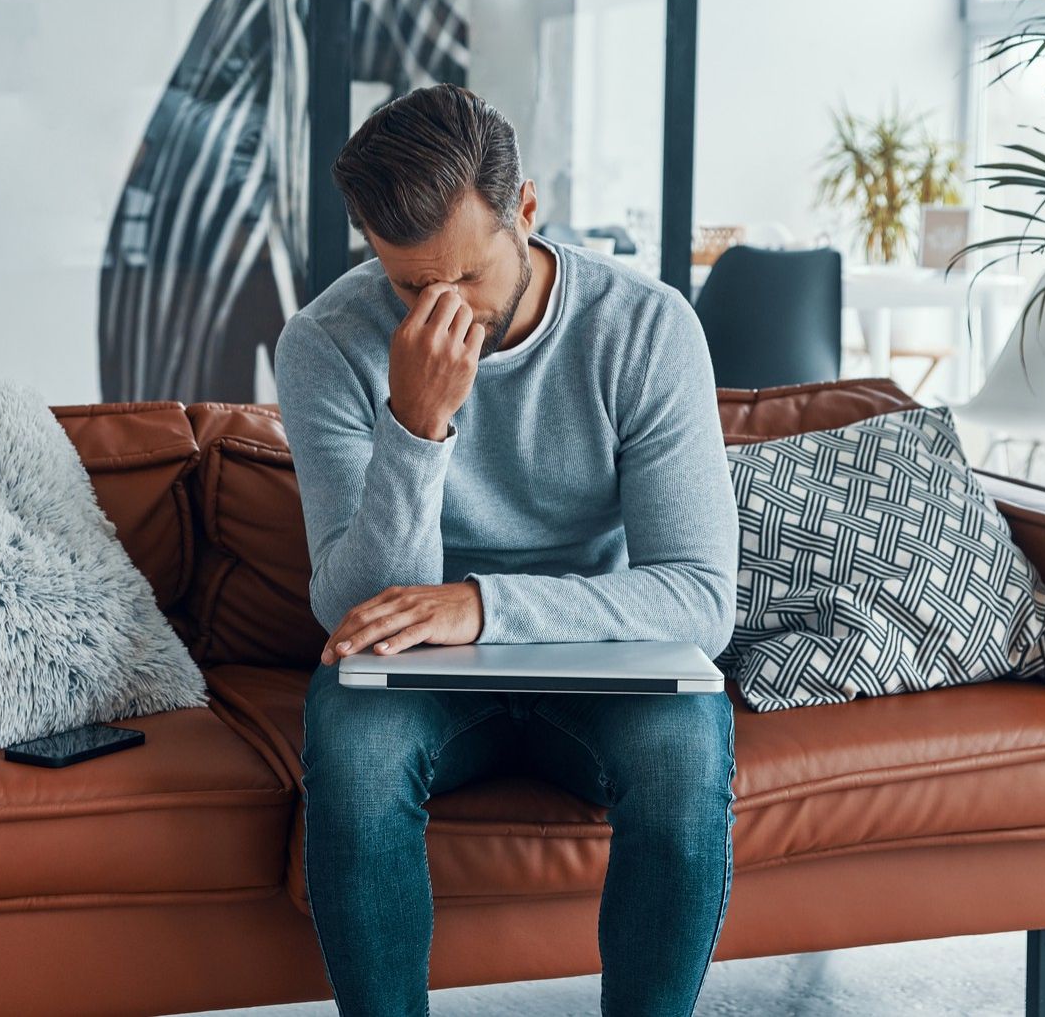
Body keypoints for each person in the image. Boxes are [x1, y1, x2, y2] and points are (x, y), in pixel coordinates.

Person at [273, 83, 740, 1017]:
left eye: (468, 277)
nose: (443, 314)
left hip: (603, 658)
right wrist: (416, 424)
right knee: (353, 751)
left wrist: (482, 605)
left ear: (526, 208)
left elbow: (699, 597)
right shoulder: (326, 343)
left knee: (685, 755)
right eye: (410, 285)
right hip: (421, 678)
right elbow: (353, 610)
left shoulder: (645, 329)